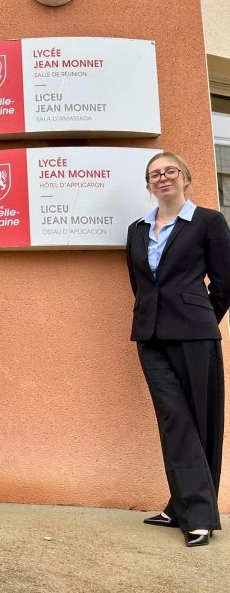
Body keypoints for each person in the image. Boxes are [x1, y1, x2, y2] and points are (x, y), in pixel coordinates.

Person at [126, 151, 230, 547]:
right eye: (155, 174)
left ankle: (195, 513)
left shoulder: (208, 221)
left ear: (185, 177)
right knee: (174, 418)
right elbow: (140, 284)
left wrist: (201, 318)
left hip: (195, 335)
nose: (163, 177)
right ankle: (185, 505)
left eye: (170, 170)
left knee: (200, 420)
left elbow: (225, 283)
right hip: (150, 336)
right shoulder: (137, 229)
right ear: (148, 185)